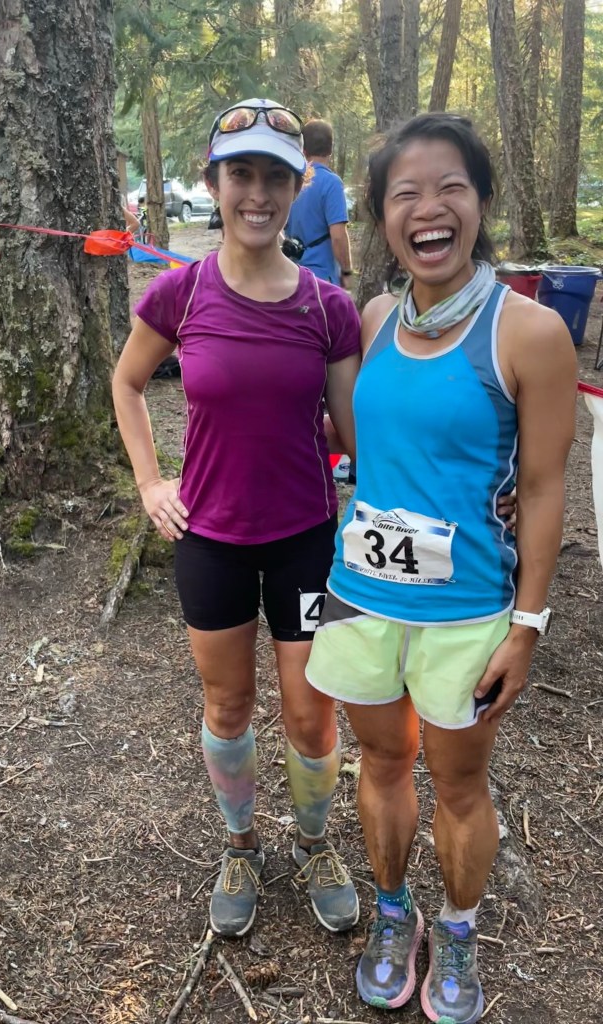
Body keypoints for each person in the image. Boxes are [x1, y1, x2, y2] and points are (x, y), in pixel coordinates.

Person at [305, 114, 577, 1023]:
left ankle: (457, 928)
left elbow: (544, 489)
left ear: (482, 202)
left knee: (458, 784)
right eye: (406, 193)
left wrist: (526, 627)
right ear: (383, 217)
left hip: (466, 611)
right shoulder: (377, 319)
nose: (429, 207)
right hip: (359, 597)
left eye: (451, 187)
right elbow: (362, 447)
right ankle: (396, 914)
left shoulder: (529, 332)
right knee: (383, 762)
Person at [112, 99, 363, 939]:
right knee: (228, 706)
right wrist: (151, 483)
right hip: (211, 540)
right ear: (215, 184)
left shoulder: (327, 308)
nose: (258, 194)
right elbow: (127, 383)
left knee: (311, 712)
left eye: (275, 178)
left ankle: (315, 843)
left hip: (306, 540)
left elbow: (355, 432)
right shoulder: (180, 293)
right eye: (241, 174)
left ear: (298, 188)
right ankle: (241, 844)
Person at [286, 119, 352, 286]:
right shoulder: (332, 183)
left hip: (291, 275)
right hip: (322, 279)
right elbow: (338, 236)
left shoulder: (291, 181)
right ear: (330, 149)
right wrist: (346, 272)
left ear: (303, 149)